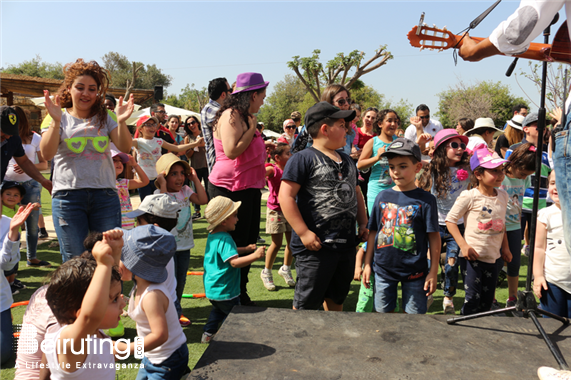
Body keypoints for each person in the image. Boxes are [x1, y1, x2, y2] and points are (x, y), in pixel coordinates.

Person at [40, 59, 134, 262]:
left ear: (98, 92)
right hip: (68, 197)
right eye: (80, 87)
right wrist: (56, 121)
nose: (86, 93)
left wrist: (121, 120)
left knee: (107, 255)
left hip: (105, 195)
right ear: (69, 89)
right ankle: (79, 296)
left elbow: (125, 147)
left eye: (92, 89)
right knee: (76, 260)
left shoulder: (107, 117)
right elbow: (46, 154)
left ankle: (108, 294)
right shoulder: (56, 116)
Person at [279, 101, 368, 311]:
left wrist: (363, 222)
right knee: (306, 305)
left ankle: (332, 341)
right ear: (324, 129)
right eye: (341, 124)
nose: (346, 129)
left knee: (336, 299)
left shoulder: (347, 161)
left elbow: (356, 192)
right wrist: (303, 233)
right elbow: (286, 197)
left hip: (345, 246)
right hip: (316, 248)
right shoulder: (302, 159)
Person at [208, 72, 269, 306]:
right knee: (233, 244)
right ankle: (229, 295)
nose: (263, 100)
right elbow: (232, 151)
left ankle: (240, 292)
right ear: (253, 95)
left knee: (248, 240)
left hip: (248, 187)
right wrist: (251, 129)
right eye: (262, 95)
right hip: (230, 188)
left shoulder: (243, 116)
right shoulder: (232, 114)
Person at [362, 138, 440, 314]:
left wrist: (433, 271)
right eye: (392, 167)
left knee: (414, 321)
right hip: (382, 270)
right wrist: (367, 264)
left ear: (417, 167)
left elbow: (434, 237)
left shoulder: (427, 200)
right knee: (383, 319)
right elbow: (373, 232)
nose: (396, 172)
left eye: (403, 166)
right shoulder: (382, 196)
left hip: (416, 272)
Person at [44, 229, 125, 379]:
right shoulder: (70, 341)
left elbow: (103, 353)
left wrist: (114, 253)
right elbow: (91, 316)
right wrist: (103, 266)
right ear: (81, 311)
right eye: (114, 299)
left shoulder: (94, 335)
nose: (123, 303)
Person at [446, 148, 512, 315]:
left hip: (494, 258)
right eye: (494, 171)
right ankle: (466, 331)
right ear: (478, 174)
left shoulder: (503, 196)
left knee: (487, 301)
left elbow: (501, 225)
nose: (500, 174)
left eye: (501, 170)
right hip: (472, 258)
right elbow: (450, 221)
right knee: (472, 299)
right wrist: (464, 246)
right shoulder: (469, 196)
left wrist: (506, 248)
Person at [119, 225, 189, 379]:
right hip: (151, 355)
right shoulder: (140, 285)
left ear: (135, 264)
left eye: (121, 256)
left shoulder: (152, 296)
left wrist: (126, 349)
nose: (116, 261)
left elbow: (160, 335)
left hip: (167, 360)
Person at [418, 129, 471, 315]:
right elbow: (413, 162)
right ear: (441, 149)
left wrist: (472, 153)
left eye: (462, 145)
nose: (460, 149)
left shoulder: (469, 168)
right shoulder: (432, 168)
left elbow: (487, 157)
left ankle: (448, 298)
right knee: (426, 263)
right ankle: (426, 294)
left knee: (451, 264)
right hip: (433, 226)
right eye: (454, 145)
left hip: (456, 225)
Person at [201, 196, 266, 343]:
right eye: (235, 216)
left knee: (217, 311)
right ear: (224, 221)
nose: (237, 219)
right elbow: (234, 263)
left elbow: (228, 252)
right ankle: (227, 339)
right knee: (233, 316)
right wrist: (255, 256)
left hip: (213, 289)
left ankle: (208, 334)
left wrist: (246, 249)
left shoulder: (214, 236)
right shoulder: (226, 238)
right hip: (226, 290)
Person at [155, 153, 208, 326]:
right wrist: (162, 185)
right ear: (163, 176)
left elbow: (203, 199)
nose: (180, 178)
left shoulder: (186, 191)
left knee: (181, 280)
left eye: (182, 173)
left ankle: (176, 310)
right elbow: (161, 209)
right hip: (167, 248)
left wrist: (194, 179)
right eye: (174, 174)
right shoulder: (159, 193)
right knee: (169, 281)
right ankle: (171, 312)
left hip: (185, 247)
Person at [4, 106, 49, 268]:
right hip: (7, 184)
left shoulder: (34, 138)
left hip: (30, 185)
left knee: (32, 224)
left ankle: (31, 257)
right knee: (7, 222)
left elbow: (42, 164)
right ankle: (9, 259)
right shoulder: (7, 137)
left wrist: (30, 169)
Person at [505, 113, 551, 255]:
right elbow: (505, 173)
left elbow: (550, 176)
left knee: (539, 241)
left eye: (544, 127)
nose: (542, 129)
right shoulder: (514, 149)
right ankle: (507, 268)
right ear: (525, 129)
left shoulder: (548, 151)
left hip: (541, 204)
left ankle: (534, 272)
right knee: (514, 238)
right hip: (518, 202)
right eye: (538, 126)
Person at [499, 143, 536, 312]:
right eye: (521, 174)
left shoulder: (526, 177)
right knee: (495, 263)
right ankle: (490, 298)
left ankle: (512, 298)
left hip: (515, 225)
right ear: (513, 163)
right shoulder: (499, 175)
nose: (523, 178)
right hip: (497, 226)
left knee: (514, 263)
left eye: (526, 175)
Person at [133, 115, 202, 202]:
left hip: (158, 179)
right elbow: (122, 143)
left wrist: (194, 144)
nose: (152, 127)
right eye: (148, 125)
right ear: (140, 129)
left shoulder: (158, 141)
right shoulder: (137, 142)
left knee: (161, 203)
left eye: (154, 125)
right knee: (146, 205)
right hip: (143, 180)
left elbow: (177, 148)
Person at [534, 171, 571, 318]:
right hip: (552, 282)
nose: (555, 187)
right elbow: (538, 248)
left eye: (561, 182)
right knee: (552, 326)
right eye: (552, 183)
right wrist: (538, 276)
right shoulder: (545, 214)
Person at [260, 143, 295, 291]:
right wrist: (262, 151)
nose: (291, 156)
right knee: (276, 243)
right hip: (275, 210)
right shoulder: (273, 169)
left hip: (289, 209)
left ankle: (285, 269)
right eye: (288, 153)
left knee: (292, 242)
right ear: (277, 157)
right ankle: (266, 272)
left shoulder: (291, 169)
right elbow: (260, 172)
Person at [357, 109, 399, 214]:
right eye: (389, 120)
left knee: (393, 225)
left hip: (396, 191)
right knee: (376, 226)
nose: (393, 124)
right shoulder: (373, 142)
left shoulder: (400, 142)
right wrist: (377, 158)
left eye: (396, 121)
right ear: (380, 124)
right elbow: (360, 165)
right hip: (376, 192)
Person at [0, 107, 51, 190]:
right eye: (4, 131)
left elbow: (24, 162)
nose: (7, 136)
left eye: (11, 132)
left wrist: (43, 180)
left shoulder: (14, 139)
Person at [112, 144, 149, 229]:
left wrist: (135, 165)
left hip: (129, 226)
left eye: (121, 160)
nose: (119, 163)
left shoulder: (123, 182)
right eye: (114, 160)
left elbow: (144, 181)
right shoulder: (105, 184)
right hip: (115, 228)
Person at [1, 181, 28, 294]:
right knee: (6, 266)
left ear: (20, 198)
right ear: (1, 195)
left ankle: (12, 282)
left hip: (15, 240)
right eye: (8, 193)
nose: (12, 197)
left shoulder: (17, 208)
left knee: (14, 263)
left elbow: (24, 208)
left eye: (16, 195)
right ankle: (6, 286)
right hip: (4, 243)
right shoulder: (2, 209)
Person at [201, 77, 232, 173]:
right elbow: (231, 126)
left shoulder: (221, 109)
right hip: (218, 167)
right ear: (223, 94)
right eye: (230, 90)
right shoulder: (210, 110)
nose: (232, 94)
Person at [184, 115, 208, 219]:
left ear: (197, 123)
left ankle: (210, 211)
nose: (191, 125)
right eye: (188, 124)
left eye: (193, 122)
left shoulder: (205, 134)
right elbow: (188, 155)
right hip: (194, 167)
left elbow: (212, 147)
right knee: (195, 190)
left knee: (209, 188)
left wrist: (202, 144)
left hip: (207, 166)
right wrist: (194, 145)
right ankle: (197, 211)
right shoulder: (187, 138)